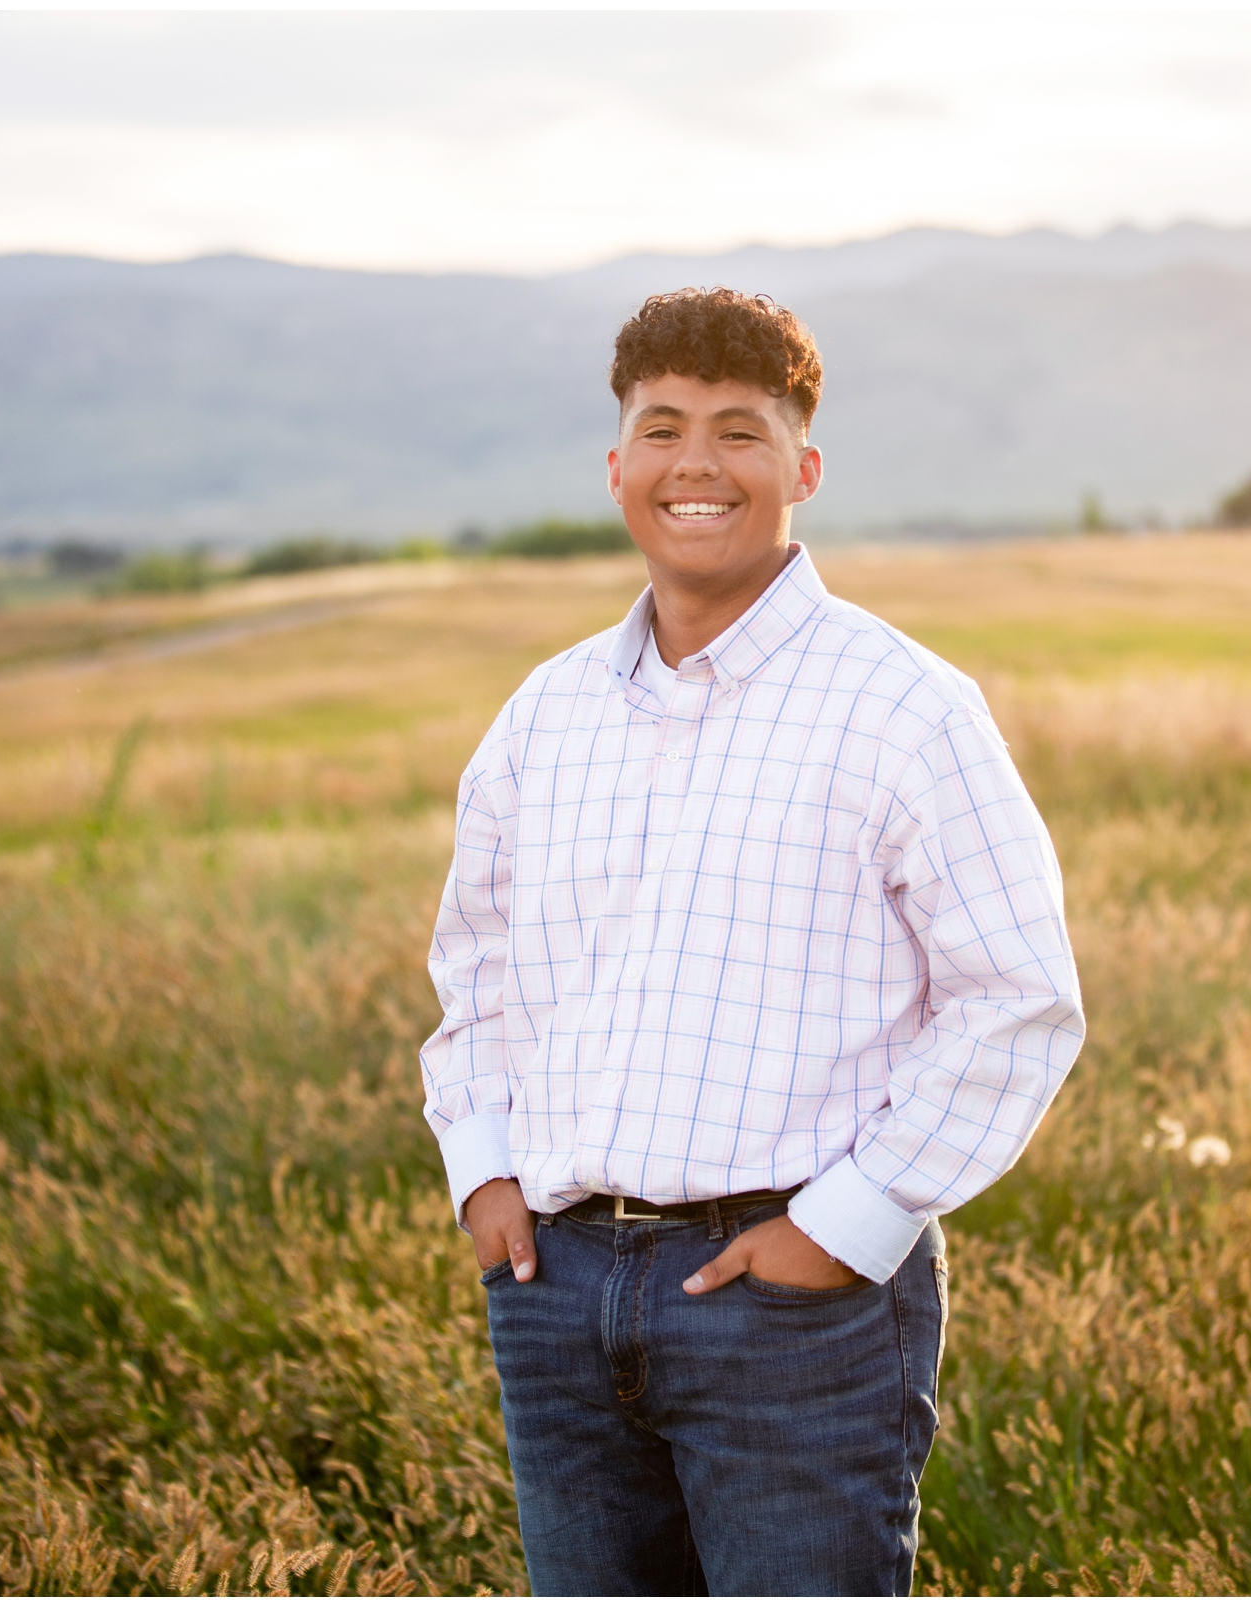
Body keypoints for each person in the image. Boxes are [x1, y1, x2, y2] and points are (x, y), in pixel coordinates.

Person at [420, 287, 1085, 1596]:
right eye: (662, 429)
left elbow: (1019, 999)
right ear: (618, 467)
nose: (697, 465)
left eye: (739, 430)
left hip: (794, 1305)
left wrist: (849, 1223)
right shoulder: (544, 716)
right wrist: (482, 1170)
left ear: (803, 467)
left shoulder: (904, 708)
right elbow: (478, 967)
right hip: (556, 1287)